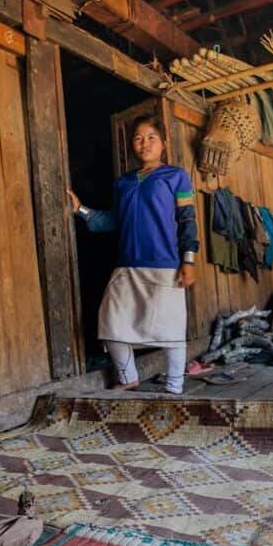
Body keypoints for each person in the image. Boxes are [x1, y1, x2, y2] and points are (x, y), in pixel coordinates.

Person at [67, 115, 199, 394]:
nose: (144, 143)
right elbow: (116, 219)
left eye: (151, 137)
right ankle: (129, 377)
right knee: (110, 320)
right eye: (138, 138)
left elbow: (187, 219)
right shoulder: (123, 183)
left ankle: (175, 385)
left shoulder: (176, 176)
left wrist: (188, 260)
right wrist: (81, 210)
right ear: (132, 145)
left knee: (171, 328)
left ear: (163, 143)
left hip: (165, 264)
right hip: (127, 265)